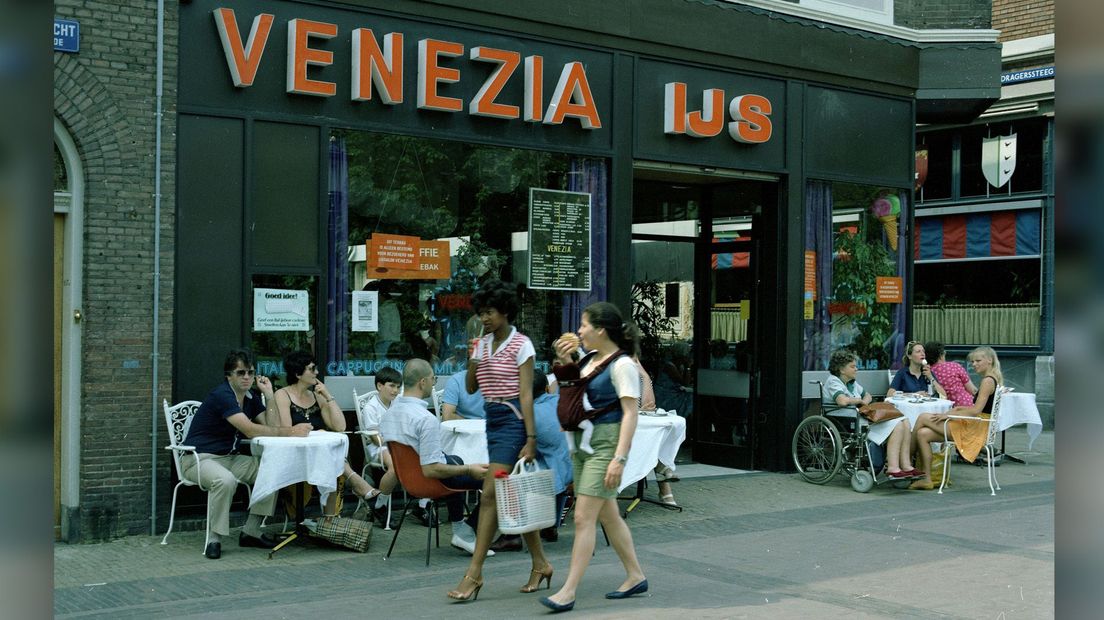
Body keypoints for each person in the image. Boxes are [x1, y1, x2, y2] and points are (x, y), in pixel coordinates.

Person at [447, 280, 552, 602]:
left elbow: (525, 394)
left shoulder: (522, 345)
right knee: (510, 495)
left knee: (491, 494)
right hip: (492, 421)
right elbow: (470, 388)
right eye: (481, 313)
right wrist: (473, 358)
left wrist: (531, 438)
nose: (485, 318)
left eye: (489, 312)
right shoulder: (482, 343)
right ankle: (541, 563)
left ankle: (474, 574)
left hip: (514, 421)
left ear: (505, 311)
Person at [540, 302, 648, 613]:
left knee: (583, 517)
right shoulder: (588, 359)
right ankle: (635, 575)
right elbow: (569, 391)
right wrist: (565, 361)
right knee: (607, 515)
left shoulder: (623, 364)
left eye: (585, 325)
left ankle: (568, 591)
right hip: (582, 445)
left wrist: (620, 459)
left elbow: (630, 414)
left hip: (604, 444)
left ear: (600, 330)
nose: (580, 331)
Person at [180, 349, 312, 560]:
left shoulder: (250, 398)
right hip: (198, 459)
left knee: (272, 470)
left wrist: (269, 395)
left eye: (250, 373)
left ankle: (251, 531)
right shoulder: (222, 395)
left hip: (229, 458)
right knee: (225, 481)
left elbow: (272, 426)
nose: (247, 377)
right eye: (240, 373)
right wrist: (291, 431)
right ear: (228, 375)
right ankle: (213, 539)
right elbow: (250, 430)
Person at [378, 359, 492, 556]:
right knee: (496, 480)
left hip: (409, 480)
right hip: (430, 480)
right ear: (423, 382)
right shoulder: (425, 419)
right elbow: (432, 469)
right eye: (433, 378)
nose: (434, 383)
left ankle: (459, 528)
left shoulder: (390, 414)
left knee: (454, 459)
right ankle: (466, 531)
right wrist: (468, 469)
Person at [272, 351, 380, 516]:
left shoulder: (317, 395)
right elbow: (288, 429)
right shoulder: (283, 394)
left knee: (334, 462)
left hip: (319, 454)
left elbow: (340, 426)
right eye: (312, 369)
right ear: (298, 373)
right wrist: (317, 433)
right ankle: (358, 486)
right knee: (335, 460)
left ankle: (331, 518)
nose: (316, 372)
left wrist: (328, 396)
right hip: (296, 453)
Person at [490, 372, 574, 551]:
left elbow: (519, 449)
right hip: (574, 467)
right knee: (544, 460)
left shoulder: (526, 415)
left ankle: (511, 535)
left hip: (552, 474)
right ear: (546, 388)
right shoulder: (560, 401)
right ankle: (550, 525)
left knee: (509, 470)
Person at [909, 346, 1003, 490]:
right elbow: (979, 409)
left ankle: (908, 461)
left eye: (978, 361)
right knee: (922, 434)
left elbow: (976, 410)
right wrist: (959, 408)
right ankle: (926, 479)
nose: (974, 364)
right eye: (972, 362)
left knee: (922, 417)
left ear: (989, 360)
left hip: (974, 429)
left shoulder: (987, 381)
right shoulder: (991, 379)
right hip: (978, 425)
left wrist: (948, 414)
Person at [824, 349, 920, 479]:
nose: (856, 369)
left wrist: (863, 402)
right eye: (852, 367)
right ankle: (892, 467)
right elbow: (841, 401)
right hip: (845, 419)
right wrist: (859, 400)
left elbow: (868, 395)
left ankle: (906, 464)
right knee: (897, 424)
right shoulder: (833, 381)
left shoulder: (852, 383)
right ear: (841, 370)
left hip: (860, 416)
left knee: (904, 421)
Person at [359, 366, 402, 529]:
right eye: (392, 386)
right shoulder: (371, 407)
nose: (396, 391)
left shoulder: (397, 403)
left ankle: (423, 504)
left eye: (398, 387)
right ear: (379, 386)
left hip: (397, 445)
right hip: (379, 448)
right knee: (396, 466)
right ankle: (380, 505)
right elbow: (376, 439)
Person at [634, 354, 678, 506]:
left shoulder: (638, 376)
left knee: (655, 436)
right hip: (616, 428)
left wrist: (645, 376)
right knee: (649, 439)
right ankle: (663, 475)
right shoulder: (613, 374)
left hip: (635, 425)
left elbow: (650, 404)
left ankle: (663, 472)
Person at [924, 340, 977, 408]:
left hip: (944, 408)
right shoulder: (954, 366)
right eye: (944, 352)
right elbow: (973, 390)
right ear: (941, 355)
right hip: (965, 405)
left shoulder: (928, 372)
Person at [654, 340, 693, 417]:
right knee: (690, 399)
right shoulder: (669, 366)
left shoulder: (679, 365)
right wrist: (688, 366)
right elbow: (685, 383)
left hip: (673, 393)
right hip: (665, 396)